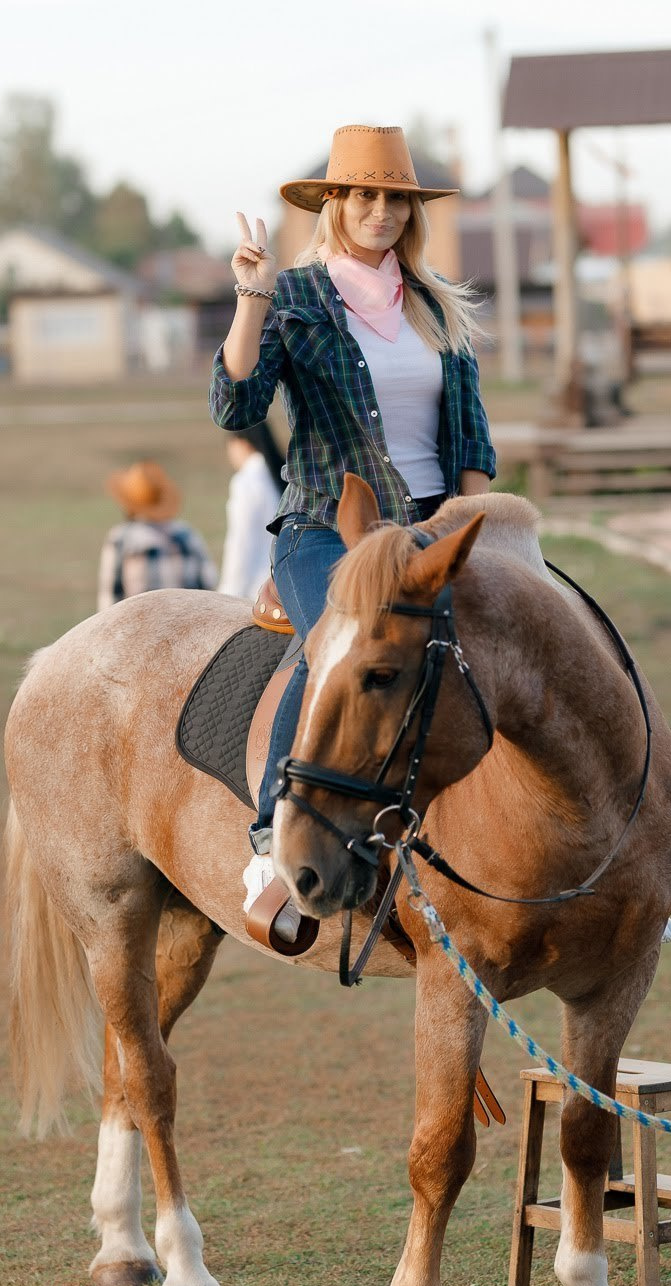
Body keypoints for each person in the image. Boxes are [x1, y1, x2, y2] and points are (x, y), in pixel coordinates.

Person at [210, 124, 497, 942]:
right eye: (363, 195)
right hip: (325, 531)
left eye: (394, 198)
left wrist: (473, 534)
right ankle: (274, 839)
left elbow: (472, 439)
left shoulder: (437, 303)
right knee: (341, 641)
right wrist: (251, 299)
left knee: (532, 640)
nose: (379, 211)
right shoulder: (294, 297)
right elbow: (236, 406)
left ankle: (590, 864)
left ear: (411, 210)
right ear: (335, 204)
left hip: (434, 527)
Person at [97, 461, 217, 613]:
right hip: (188, 621)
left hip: (140, 623)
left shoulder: (121, 539)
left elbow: (109, 597)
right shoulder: (187, 535)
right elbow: (209, 584)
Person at [218, 421, 287, 601]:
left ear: (241, 442)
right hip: (284, 578)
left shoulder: (246, 482)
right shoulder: (280, 474)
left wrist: (228, 592)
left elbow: (241, 542)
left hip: (256, 589)